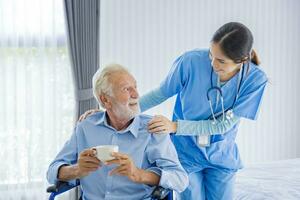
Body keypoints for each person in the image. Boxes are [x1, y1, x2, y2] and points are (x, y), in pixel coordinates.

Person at [80, 22, 268, 200]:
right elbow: (160, 93)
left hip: (221, 153)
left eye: (221, 61)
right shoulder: (190, 62)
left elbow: (223, 125)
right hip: (185, 152)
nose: (212, 64)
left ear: (242, 60)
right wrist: (108, 111)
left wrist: (174, 126)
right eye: (211, 55)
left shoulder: (254, 80)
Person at [47, 64, 188, 200]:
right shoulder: (86, 126)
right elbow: (52, 171)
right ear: (105, 100)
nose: (136, 94)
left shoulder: (153, 129)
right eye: (127, 89)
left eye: (135, 87)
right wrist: (77, 170)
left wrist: (138, 174)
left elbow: (180, 179)